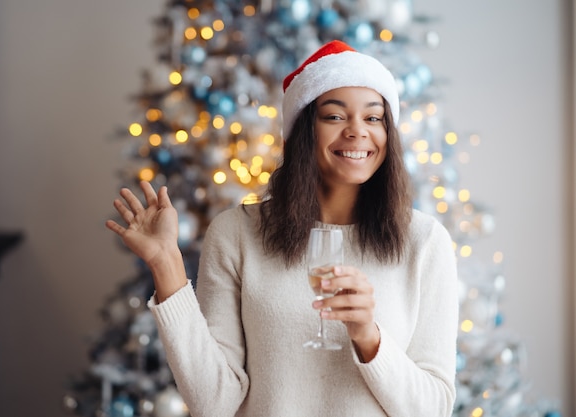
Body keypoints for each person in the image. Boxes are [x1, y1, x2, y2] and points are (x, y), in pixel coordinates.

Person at [106, 40, 458, 417]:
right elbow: (214, 403)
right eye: (335, 116)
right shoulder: (237, 234)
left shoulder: (425, 242)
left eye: (374, 118)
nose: (358, 131)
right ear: (303, 131)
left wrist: (368, 337)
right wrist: (166, 264)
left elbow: (434, 409)